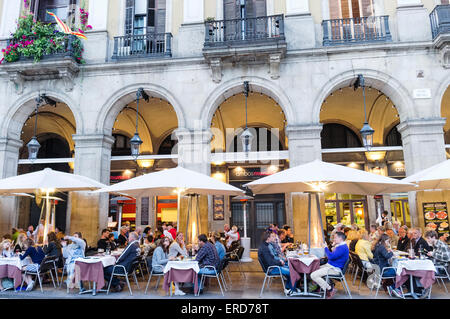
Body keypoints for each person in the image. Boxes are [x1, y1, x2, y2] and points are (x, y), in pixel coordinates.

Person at [310, 232, 349, 299]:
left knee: (313, 275)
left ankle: (330, 289)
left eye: (335, 237)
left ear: (340, 238)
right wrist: (333, 246)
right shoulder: (340, 246)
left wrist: (325, 247)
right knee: (314, 268)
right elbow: (333, 255)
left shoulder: (342, 247)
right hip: (331, 266)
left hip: (335, 269)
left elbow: (330, 256)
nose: (334, 239)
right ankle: (324, 286)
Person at [372, 233, 403, 298]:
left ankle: (390, 287)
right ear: (384, 240)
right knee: (400, 271)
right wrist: (391, 252)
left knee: (394, 269)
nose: (388, 242)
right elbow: (387, 256)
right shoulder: (382, 247)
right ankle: (394, 288)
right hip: (383, 269)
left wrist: (387, 250)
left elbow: (383, 254)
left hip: (378, 268)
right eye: (388, 241)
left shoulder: (377, 245)